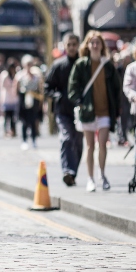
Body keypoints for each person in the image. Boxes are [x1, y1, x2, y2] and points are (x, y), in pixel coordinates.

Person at [68, 30, 122, 192]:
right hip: (88, 111)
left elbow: (116, 88)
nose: (95, 45)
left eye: (98, 42)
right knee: (90, 146)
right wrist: (79, 101)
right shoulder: (81, 64)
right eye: (92, 42)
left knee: (103, 144)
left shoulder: (108, 66)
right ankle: (90, 179)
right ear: (88, 45)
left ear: (102, 46)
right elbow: (73, 86)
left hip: (105, 111)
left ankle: (102, 174)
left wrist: (116, 110)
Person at [45, 33, 83, 186]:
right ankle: (67, 171)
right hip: (63, 111)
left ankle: (73, 172)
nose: (72, 47)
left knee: (78, 142)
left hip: (80, 110)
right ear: (65, 46)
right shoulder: (58, 65)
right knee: (67, 138)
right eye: (69, 44)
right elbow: (47, 87)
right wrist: (57, 96)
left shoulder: (83, 64)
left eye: (74, 44)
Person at [14, 55, 43, 149]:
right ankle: (24, 140)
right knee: (24, 121)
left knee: (33, 120)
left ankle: (34, 139)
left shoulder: (36, 76)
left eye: (30, 64)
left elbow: (40, 88)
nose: (29, 65)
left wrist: (40, 102)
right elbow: (16, 88)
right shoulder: (20, 75)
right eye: (27, 64)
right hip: (23, 100)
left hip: (33, 99)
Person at [0, 59, 19, 137]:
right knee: (6, 117)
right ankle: (6, 131)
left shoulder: (15, 75)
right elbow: (1, 86)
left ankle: (13, 131)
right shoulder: (4, 75)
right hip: (6, 99)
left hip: (13, 99)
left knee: (13, 117)